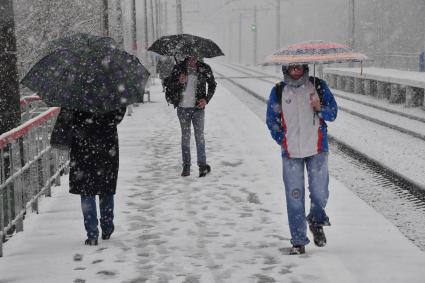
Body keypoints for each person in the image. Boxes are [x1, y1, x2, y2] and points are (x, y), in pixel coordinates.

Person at [266, 64, 338, 255]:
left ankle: (316, 220)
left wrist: (319, 107)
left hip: (317, 150)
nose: (296, 71)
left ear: (305, 67)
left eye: (299, 68)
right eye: (292, 68)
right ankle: (298, 240)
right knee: (294, 197)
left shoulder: (318, 86)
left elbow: (333, 113)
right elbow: (272, 121)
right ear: (285, 69)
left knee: (320, 192)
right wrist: (283, 139)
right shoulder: (279, 90)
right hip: (291, 154)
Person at [63, 107, 126, 245]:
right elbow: (118, 116)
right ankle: (107, 227)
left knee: (86, 190)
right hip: (107, 144)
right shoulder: (112, 89)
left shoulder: (75, 91)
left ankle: (92, 233)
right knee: (106, 186)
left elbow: (68, 119)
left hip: (82, 145)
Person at [164, 56, 217, 177]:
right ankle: (186, 166)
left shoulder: (204, 68)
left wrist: (206, 99)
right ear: (186, 58)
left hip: (198, 108)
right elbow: (169, 86)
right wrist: (179, 82)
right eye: (190, 59)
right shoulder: (178, 68)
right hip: (182, 109)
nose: (192, 62)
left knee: (200, 136)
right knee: (186, 136)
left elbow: (213, 85)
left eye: (195, 59)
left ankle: (202, 166)